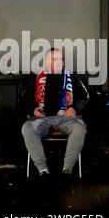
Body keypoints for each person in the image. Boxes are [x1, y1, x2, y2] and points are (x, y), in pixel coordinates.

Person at [21, 48, 88, 183]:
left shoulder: (72, 77)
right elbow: (25, 99)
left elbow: (84, 97)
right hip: (42, 118)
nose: (59, 62)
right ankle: (43, 171)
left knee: (80, 128)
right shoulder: (36, 77)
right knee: (27, 128)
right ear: (46, 62)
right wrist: (32, 109)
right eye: (54, 59)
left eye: (60, 59)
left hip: (65, 117)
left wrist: (74, 108)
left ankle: (66, 171)